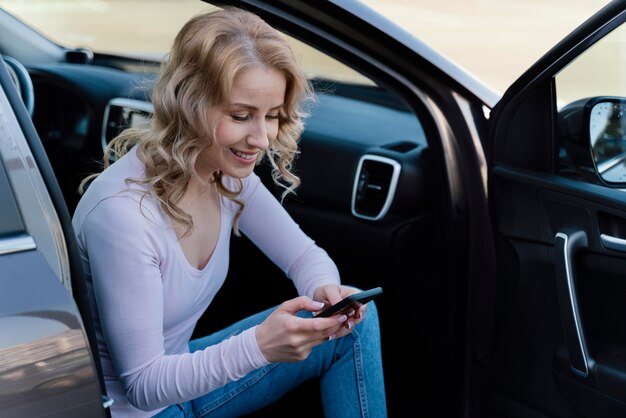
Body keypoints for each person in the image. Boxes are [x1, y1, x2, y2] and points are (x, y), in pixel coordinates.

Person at [72, 6, 386, 418]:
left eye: (272, 116)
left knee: (354, 327)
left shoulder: (225, 176)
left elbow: (303, 256)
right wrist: (260, 345)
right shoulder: (124, 215)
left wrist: (324, 291)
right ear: (190, 104)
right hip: (136, 409)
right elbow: (144, 385)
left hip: (183, 378)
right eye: (241, 116)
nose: (261, 138)